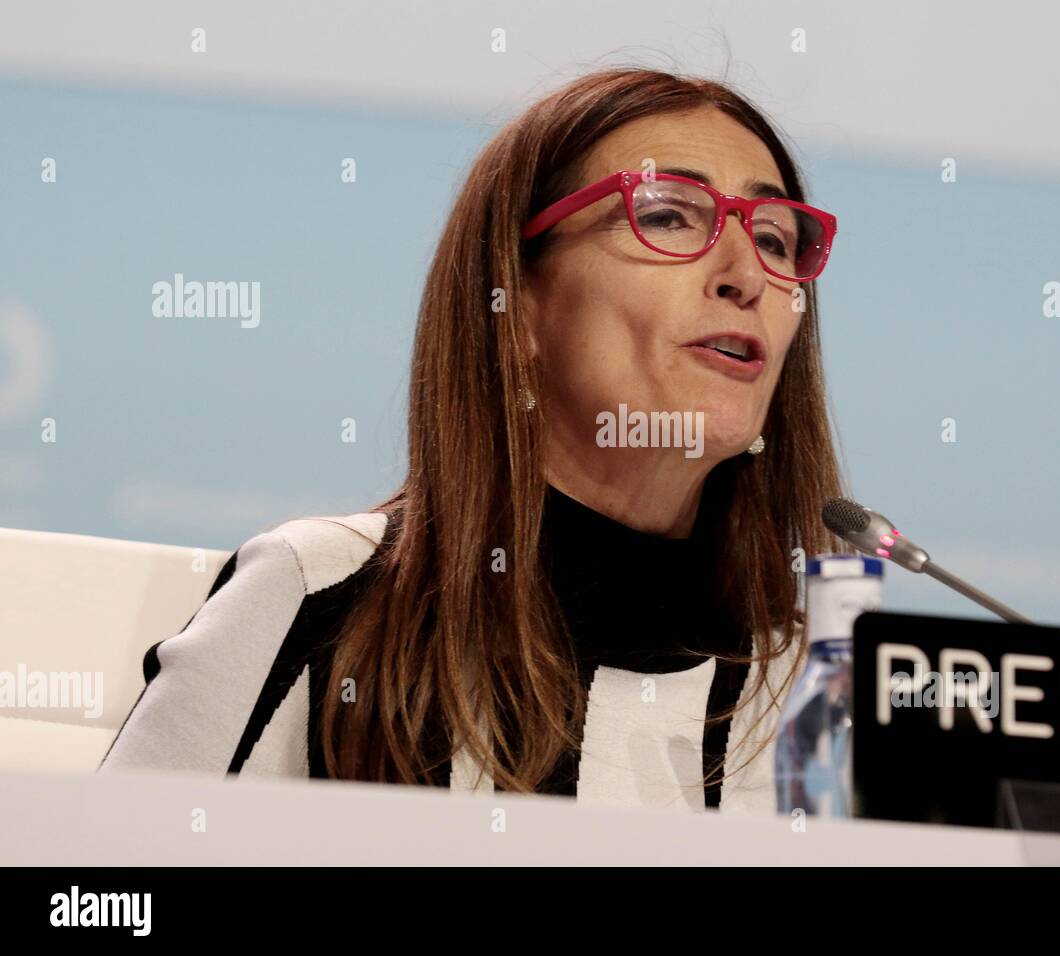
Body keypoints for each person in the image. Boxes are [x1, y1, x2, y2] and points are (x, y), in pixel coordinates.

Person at [99, 66, 847, 815]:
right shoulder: (325, 599)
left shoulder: (821, 691)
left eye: (776, 239)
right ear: (517, 306)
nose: (748, 273)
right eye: (666, 216)